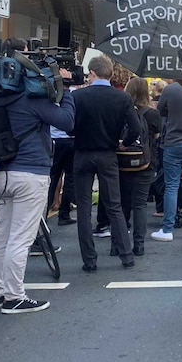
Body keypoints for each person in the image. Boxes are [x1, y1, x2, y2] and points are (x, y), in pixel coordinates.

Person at [0, 37, 75, 314]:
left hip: (1, 173)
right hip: (30, 173)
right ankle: (15, 297)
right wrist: (67, 91)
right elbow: (67, 122)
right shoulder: (31, 100)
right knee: (21, 239)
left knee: (1, 236)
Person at [71, 55, 140, 272]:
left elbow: (69, 125)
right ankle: (126, 255)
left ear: (92, 73)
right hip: (109, 153)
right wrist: (124, 142)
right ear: (110, 74)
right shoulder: (122, 98)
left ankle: (89, 260)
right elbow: (135, 129)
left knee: (83, 208)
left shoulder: (78, 96)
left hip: (82, 153)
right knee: (114, 205)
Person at [152, 77, 182, 241]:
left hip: (173, 142)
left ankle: (167, 229)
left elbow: (161, 110)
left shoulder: (170, 90)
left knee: (171, 185)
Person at [121, 78, 160, 256]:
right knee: (140, 203)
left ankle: (118, 244)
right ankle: (139, 244)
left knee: (121, 204)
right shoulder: (152, 114)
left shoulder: (121, 110)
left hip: (122, 161)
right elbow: (157, 136)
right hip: (145, 161)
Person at [47, 122, 76, 226]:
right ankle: (64, 214)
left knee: (52, 177)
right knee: (70, 179)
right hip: (71, 139)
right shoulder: (72, 105)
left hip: (53, 140)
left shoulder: (48, 105)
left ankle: (44, 212)